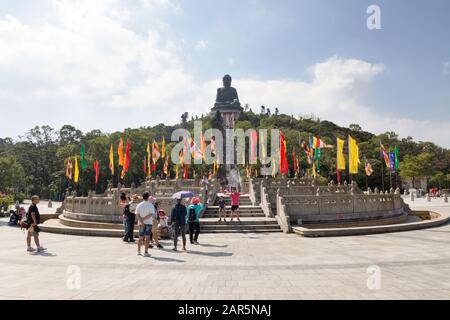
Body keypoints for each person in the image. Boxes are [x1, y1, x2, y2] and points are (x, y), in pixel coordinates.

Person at [136, 192, 157, 257]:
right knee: (147, 237)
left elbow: (137, 214)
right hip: (148, 223)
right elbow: (151, 214)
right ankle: (146, 252)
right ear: (148, 197)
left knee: (140, 237)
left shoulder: (139, 205)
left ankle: (139, 251)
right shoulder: (151, 205)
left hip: (141, 223)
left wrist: (141, 221)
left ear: (142, 197)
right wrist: (144, 219)